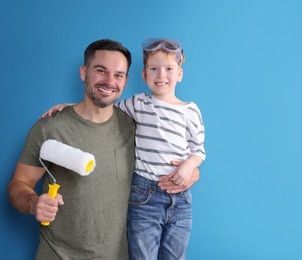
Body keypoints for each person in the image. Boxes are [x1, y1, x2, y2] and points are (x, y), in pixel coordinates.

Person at [8, 39, 199, 260]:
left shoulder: (134, 126)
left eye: (118, 75)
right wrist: (34, 203)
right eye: (101, 71)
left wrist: (192, 170)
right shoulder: (51, 126)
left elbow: (168, 149)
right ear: (84, 72)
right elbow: (18, 184)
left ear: (126, 80)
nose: (109, 81)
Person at [118, 38, 206, 260]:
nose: (161, 75)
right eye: (154, 69)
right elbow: (105, 112)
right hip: (144, 196)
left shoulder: (191, 111)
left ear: (180, 74)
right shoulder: (138, 103)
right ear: (144, 75)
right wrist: (71, 107)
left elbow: (199, 150)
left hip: (181, 198)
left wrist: (189, 166)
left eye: (169, 69)